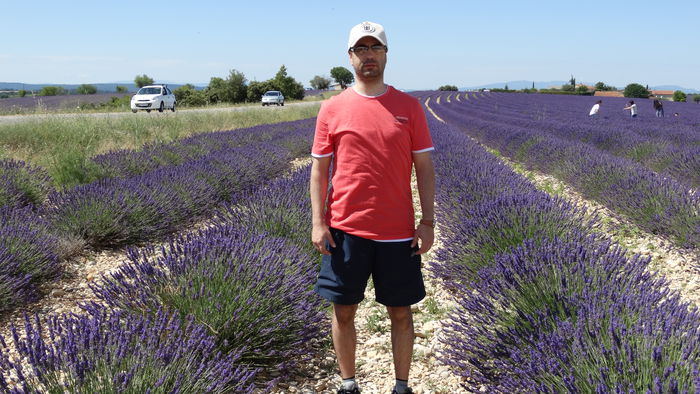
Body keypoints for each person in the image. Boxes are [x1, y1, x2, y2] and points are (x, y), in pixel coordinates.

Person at [310, 21, 435, 394]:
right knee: (343, 310)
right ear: (350, 57)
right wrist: (319, 222)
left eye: (375, 48)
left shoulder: (409, 107)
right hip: (345, 229)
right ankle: (348, 384)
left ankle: (401, 386)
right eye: (361, 49)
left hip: (397, 231)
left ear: (385, 54)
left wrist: (427, 221)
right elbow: (319, 169)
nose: (368, 55)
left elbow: (425, 168)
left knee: (401, 311)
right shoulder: (332, 109)